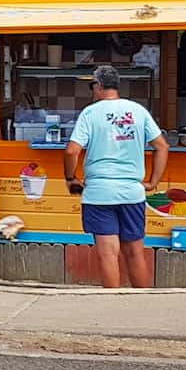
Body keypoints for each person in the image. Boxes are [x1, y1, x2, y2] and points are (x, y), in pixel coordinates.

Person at [64, 65, 169, 289]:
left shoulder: (90, 113)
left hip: (99, 194)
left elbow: (72, 151)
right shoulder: (137, 111)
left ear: (99, 86)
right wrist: (153, 182)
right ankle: (143, 303)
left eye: (93, 85)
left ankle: (112, 308)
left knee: (108, 254)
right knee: (134, 252)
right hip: (132, 192)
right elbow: (162, 146)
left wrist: (70, 177)